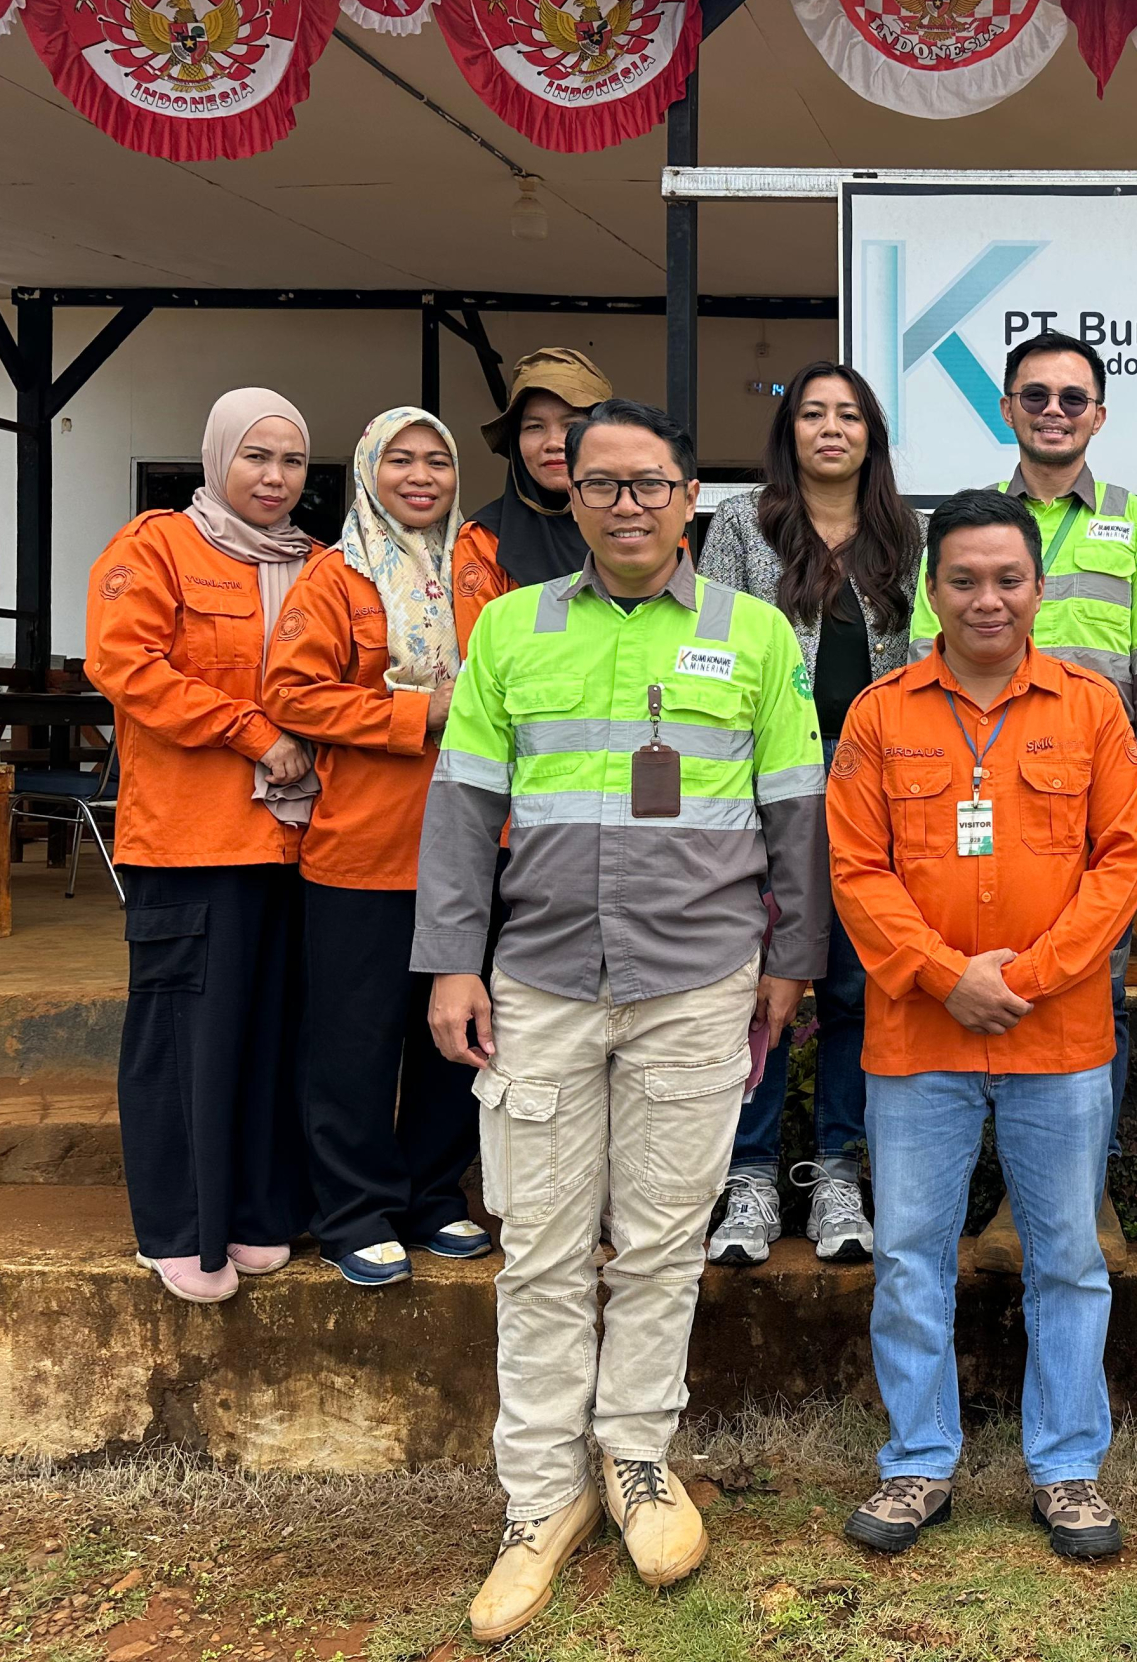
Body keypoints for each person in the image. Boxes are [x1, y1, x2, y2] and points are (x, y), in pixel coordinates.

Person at [414, 399, 829, 1644]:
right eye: (602, 486)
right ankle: (541, 1498)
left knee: (657, 1244)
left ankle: (638, 1460)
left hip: (699, 980)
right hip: (537, 978)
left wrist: (790, 962)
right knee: (538, 1251)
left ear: (688, 495)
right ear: (573, 498)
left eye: (649, 484)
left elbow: (796, 812)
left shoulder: (753, 636)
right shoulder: (511, 629)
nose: (627, 505)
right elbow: (459, 804)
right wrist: (451, 963)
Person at [825, 489, 1137, 1563]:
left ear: (1038, 588)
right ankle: (918, 1461)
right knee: (912, 1256)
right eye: (962, 578)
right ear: (932, 588)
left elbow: (1122, 862)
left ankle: (1067, 1470)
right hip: (919, 1041)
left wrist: (1033, 976)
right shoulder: (880, 714)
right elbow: (856, 869)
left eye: (1007, 578)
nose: (986, 598)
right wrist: (942, 974)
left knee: (1067, 1258)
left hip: (1057, 1042)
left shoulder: (1090, 708)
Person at [908, 331, 1137, 1276]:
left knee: (1085, 996)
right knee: (962, 992)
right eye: (1037, 395)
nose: (1055, 410)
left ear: (1098, 415)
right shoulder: (963, 524)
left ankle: (1079, 1196)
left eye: (1074, 397)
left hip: (1089, 799)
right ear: (1009, 410)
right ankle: (999, 1203)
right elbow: (920, 655)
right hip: (972, 789)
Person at [85, 388, 319, 1306]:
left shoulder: (318, 564)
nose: (274, 477)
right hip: (188, 838)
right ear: (218, 455)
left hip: (292, 842)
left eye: (293, 461)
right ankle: (180, 1227)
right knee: (186, 1033)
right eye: (257, 456)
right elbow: (127, 665)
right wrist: (252, 731)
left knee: (270, 1033)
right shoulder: (155, 548)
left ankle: (259, 1212)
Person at [699, 361, 921, 1271]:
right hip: (766, 789)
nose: (831, 428)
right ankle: (748, 1176)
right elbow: (705, 647)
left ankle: (836, 1169)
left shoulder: (909, 533)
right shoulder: (741, 527)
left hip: (876, 791)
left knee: (854, 990)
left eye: (850, 415)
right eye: (813, 414)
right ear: (788, 431)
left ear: (872, 433)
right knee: (761, 986)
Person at [262, 408, 487, 1288]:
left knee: (458, 1034)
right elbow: (293, 695)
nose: (421, 475)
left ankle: (433, 1196)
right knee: (355, 1040)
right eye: (401, 460)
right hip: (364, 847)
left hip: (471, 843)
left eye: (438, 459)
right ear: (367, 470)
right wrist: (415, 713)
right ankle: (354, 1210)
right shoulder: (335, 575)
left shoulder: (480, 566)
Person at [450, 346, 614, 648]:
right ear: (515, 440)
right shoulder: (483, 542)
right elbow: (483, 667)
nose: (553, 443)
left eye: (572, 426)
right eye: (534, 427)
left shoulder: (649, 526)